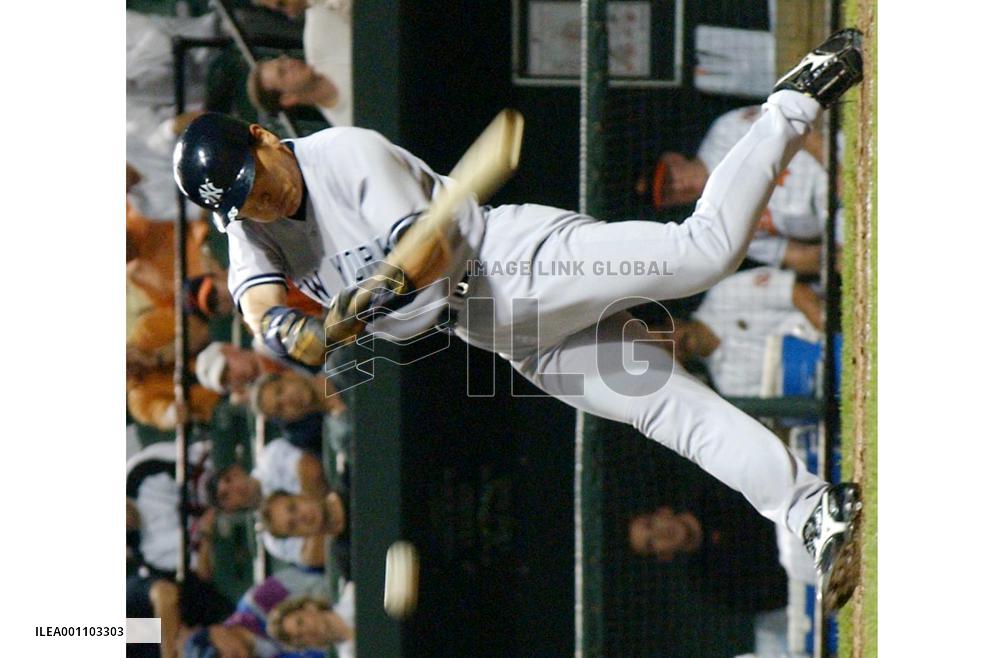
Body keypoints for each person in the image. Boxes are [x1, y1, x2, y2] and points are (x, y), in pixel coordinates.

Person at [174, 30, 865, 612]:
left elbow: (433, 250)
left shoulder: (341, 154)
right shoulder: (248, 230)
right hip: (491, 330)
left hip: (512, 261)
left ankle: (793, 101)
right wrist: (305, 332)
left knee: (701, 253)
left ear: (263, 136)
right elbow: (264, 311)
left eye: (257, 181)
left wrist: (373, 296)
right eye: (245, 203)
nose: (261, 201)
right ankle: (809, 510)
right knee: (665, 411)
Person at [637, 105, 828, 275]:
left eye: (670, 179)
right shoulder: (714, 224)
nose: (677, 187)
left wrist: (838, 174)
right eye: (668, 194)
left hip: (829, 165)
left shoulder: (724, 132)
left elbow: (797, 127)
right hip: (832, 223)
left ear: (674, 159)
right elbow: (790, 255)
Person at [666, 266, 825, 397]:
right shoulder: (728, 385)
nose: (675, 344)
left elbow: (798, 293)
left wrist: (830, 334)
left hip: (832, 322)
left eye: (667, 335)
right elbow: (797, 398)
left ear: (673, 321)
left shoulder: (725, 294)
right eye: (667, 351)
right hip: (825, 377)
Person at [207, 438, 331, 567]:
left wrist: (316, 517)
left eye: (229, 480)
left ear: (235, 470)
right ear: (229, 510)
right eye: (226, 496)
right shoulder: (271, 539)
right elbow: (314, 556)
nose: (235, 489)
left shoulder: (270, 457)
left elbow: (312, 469)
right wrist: (320, 508)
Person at [250, 0, 353, 127]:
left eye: (283, 60)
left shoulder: (319, 33)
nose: (290, 63)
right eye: (283, 72)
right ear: (288, 98)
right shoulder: (348, 126)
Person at [266, 590, 355, 658]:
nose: (306, 631)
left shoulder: (355, 594)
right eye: (300, 637)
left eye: (300, 622)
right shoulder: (349, 655)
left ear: (309, 606)